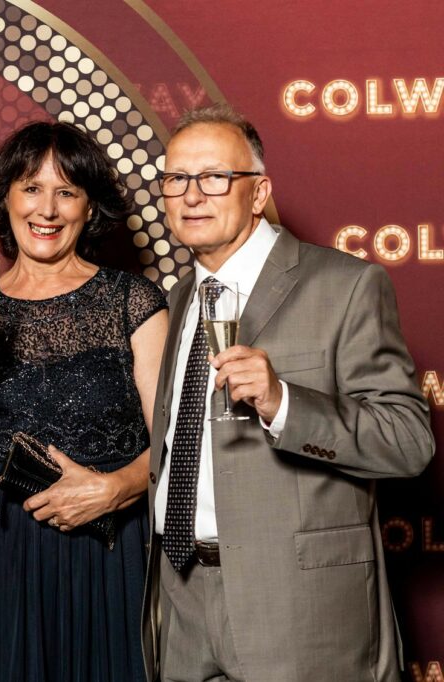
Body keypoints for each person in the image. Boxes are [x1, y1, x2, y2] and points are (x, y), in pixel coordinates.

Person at [142, 104, 435, 682]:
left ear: (258, 192)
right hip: (182, 599)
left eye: (214, 177)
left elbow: (408, 441)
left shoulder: (345, 285)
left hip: (299, 608)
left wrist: (284, 403)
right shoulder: (180, 296)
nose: (191, 195)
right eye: (176, 178)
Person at [0, 120, 169, 681]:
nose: (47, 209)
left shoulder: (133, 302)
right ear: (5, 199)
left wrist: (116, 488)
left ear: (89, 207)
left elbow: (178, 448)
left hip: (106, 542)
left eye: (66, 192)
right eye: (31, 188)